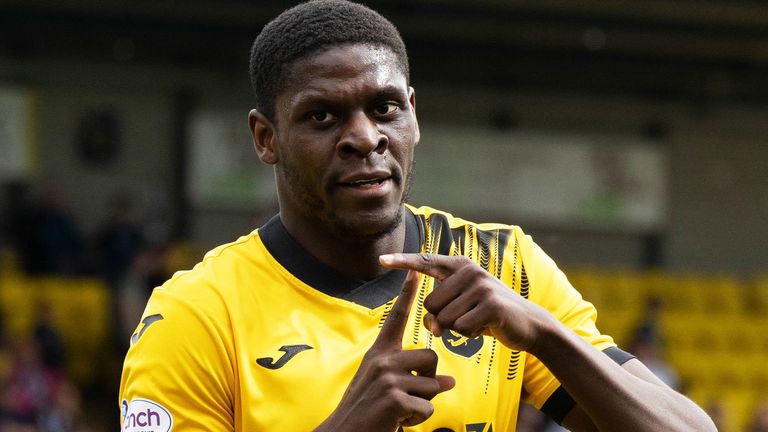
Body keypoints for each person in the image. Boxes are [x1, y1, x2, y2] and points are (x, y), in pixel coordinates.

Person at [118, 1, 716, 431]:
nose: (364, 138)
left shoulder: (500, 267)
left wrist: (543, 334)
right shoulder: (197, 314)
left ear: (413, 117)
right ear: (265, 137)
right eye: (322, 116)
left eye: (384, 108)